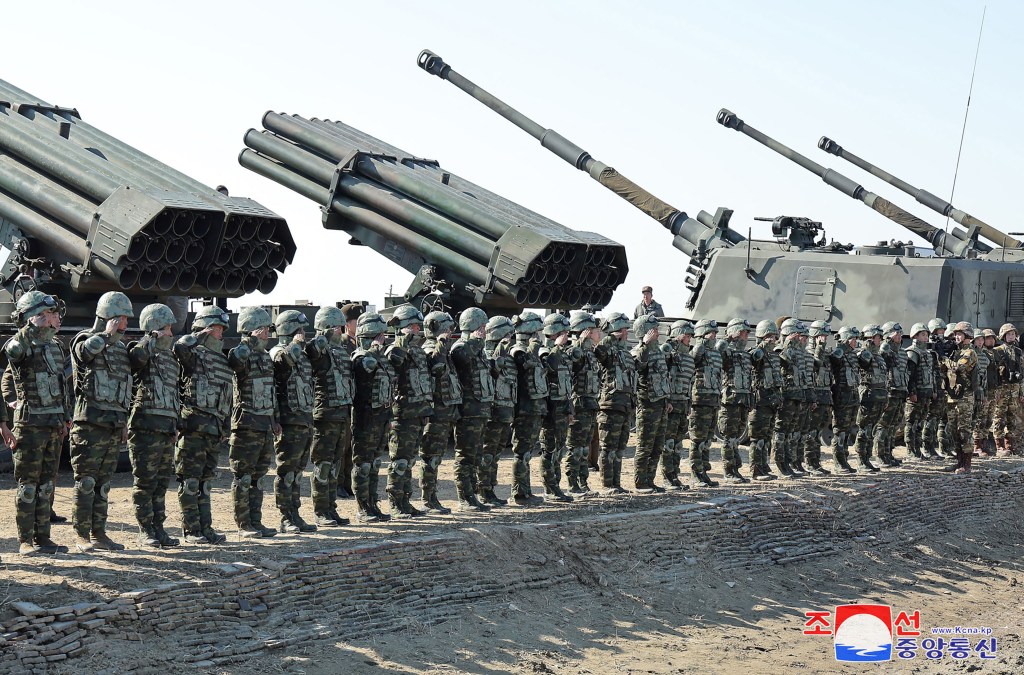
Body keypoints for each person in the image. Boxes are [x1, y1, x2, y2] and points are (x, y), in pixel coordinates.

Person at [5, 291, 69, 554]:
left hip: (53, 424)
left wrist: (65, 417)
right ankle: (25, 541)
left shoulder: (55, 346)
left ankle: (43, 538)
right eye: (45, 315)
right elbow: (12, 352)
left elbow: (61, 386)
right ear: (33, 317)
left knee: (46, 485)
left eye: (51, 314)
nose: (53, 318)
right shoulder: (21, 345)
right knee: (28, 485)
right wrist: (28, 323)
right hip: (30, 425)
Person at [70, 291, 134, 553]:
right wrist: (105, 335)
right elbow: (84, 354)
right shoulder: (86, 339)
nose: (126, 325)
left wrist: (123, 423)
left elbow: (124, 389)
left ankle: (99, 534)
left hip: (112, 425)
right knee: (85, 482)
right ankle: (81, 535)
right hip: (89, 426)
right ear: (111, 318)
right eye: (122, 319)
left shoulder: (120, 349)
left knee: (103, 485)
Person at [174, 305, 234, 544]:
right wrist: (198, 335)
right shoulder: (193, 354)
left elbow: (227, 397)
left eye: (221, 329)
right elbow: (179, 346)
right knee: (189, 481)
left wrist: (225, 427)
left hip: (213, 429)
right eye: (217, 328)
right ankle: (191, 530)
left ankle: (205, 528)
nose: (221, 333)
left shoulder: (222, 360)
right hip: (193, 428)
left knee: (205, 483)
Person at [127, 303, 182, 548]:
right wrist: (149, 338)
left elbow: (174, 394)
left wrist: (175, 425)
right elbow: (136, 360)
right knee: (145, 483)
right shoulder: (141, 351)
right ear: (155, 330)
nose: (171, 334)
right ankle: (145, 529)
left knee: (161, 484)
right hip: (145, 429)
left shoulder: (170, 359)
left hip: (166, 429)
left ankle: (159, 528)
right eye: (166, 329)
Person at [227, 306, 280, 538]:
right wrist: (249, 342)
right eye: (263, 330)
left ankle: (256, 521)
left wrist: (274, 420)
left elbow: (271, 392)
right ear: (250, 331)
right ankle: (243, 524)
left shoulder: (266, 357)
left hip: (265, 425)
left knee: (259, 477)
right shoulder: (241, 353)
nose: (267, 334)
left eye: (268, 329)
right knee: (243, 477)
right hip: (246, 425)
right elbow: (235, 361)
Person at [305, 306, 355, 526]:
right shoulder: (319, 349)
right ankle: (320, 511)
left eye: (340, 326)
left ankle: (331, 508)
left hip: (342, 414)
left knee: (335, 465)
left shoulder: (341, 350)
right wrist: (322, 337)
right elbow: (311, 351)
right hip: (325, 416)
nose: (339, 331)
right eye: (334, 327)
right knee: (323, 465)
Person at [269, 310, 318, 533]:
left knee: (298, 472)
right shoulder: (280, 352)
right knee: (287, 471)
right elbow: (281, 365)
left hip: (305, 420)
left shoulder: (303, 355)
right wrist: (295, 345)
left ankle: (295, 513)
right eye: (299, 330)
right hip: (288, 422)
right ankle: (285, 517)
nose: (303, 334)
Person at [385, 305, 432, 518]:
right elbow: (393, 365)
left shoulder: (419, 351)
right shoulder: (394, 349)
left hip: (418, 413)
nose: (417, 330)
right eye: (413, 326)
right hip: (402, 415)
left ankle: (406, 501)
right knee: (399, 461)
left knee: (410, 460)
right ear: (403, 327)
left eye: (418, 326)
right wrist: (402, 343)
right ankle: (395, 503)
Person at [351, 312, 396, 522]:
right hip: (365, 419)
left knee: (375, 463)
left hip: (381, 418)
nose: (383, 338)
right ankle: (363, 508)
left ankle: (372, 504)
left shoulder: (381, 358)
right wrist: (375, 350)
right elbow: (366, 370)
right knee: (363, 464)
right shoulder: (361, 357)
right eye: (378, 335)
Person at [451, 307, 494, 511]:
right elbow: (461, 359)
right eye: (482, 326)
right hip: (468, 413)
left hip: (480, 411)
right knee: (465, 456)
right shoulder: (461, 346)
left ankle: (473, 495)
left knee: (476, 456)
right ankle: (465, 497)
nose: (485, 330)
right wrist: (475, 341)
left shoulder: (480, 350)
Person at [420, 311, 460, 514]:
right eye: (447, 328)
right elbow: (436, 368)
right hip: (434, 412)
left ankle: (432, 497)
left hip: (445, 411)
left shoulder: (444, 349)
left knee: (436, 457)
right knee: (430, 457)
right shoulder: (431, 350)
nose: (450, 332)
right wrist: (441, 344)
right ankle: (427, 499)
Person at [593, 312, 637, 494]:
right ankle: (607, 484)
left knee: (619, 448)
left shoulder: (626, 353)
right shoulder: (608, 349)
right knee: (608, 447)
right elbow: (598, 353)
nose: (627, 332)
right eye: (624, 329)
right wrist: (610, 338)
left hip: (625, 406)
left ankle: (616, 484)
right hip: (610, 406)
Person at [510, 311, 548, 505]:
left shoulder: (531, 350)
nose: (539, 336)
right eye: (537, 332)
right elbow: (526, 365)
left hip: (534, 408)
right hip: (524, 410)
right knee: (522, 453)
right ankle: (519, 494)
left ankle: (526, 491)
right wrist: (533, 348)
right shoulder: (518, 350)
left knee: (527, 453)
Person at [565, 311, 602, 494]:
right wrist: (580, 341)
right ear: (586, 331)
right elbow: (571, 364)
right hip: (579, 406)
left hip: (590, 405)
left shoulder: (592, 353)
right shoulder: (575, 351)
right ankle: (573, 485)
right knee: (576, 447)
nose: (599, 333)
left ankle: (583, 482)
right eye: (595, 330)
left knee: (585, 447)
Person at [540, 313, 576, 501]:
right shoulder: (545, 351)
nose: (567, 335)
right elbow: (549, 367)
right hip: (550, 410)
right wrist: (556, 347)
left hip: (562, 408)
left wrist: (570, 410)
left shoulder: (562, 353)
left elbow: (567, 385)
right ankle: (549, 488)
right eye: (563, 332)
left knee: (559, 450)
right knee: (550, 449)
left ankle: (556, 486)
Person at [482, 315, 516, 506]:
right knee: (486, 454)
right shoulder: (487, 356)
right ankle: (482, 490)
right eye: (507, 332)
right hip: (492, 415)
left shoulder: (507, 357)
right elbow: (492, 371)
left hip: (505, 413)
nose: (510, 336)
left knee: (494, 455)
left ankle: (490, 490)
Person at [717, 318, 754, 483]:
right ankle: (729, 471)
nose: (746, 336)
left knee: (737, 438)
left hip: (743, 401)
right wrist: (728, 338)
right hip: (730, 401)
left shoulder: (746, 355)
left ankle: (735, 470)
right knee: (729, 438)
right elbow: (716, 353)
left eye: (747, 333)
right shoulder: (727, 352)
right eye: (743, 332)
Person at [336, 302, 366, 498]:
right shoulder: (342, 343)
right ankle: (338, 483)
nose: (361, 326)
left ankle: (348, 483)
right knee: (342, 445)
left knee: (353, 445)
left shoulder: (361, 343)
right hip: (345, 401)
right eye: (358, 321)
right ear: (348, 324)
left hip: (357, 401)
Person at [689, 319, 723, 487]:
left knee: (708, 440)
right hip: (700, 401)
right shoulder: (698, 350)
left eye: (715, 333)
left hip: (713, 401)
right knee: (697, 439)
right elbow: (692, 362)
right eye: (711, 333)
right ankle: (695, 474)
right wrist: (700, 343)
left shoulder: (716, 353)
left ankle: (703, 472)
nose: (714, 336)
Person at [748, 320, 782, 480]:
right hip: (760, 402)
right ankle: (755, 470)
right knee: (757, 438)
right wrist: (761, 347)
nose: (772, 339)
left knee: (767, 438)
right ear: (761, 337)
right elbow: (753, 360)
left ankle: (764, 466)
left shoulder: (775, 356)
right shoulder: (757, 353)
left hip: (772, 401)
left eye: (774, 336)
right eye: (768, 336)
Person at [942, 321, 978, 473]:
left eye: (959, 334)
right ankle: (959, 461)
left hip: (965, 397)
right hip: (953, 396)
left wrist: (944, 359)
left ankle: (966, 464)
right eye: (955, 334)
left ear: (967, 336)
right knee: (953, 429)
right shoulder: (956, 352)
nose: (956, 337)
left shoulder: (969, 353)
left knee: (964, 430)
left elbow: (958, 367)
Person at [774, 319, 807, 478]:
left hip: (796, 396)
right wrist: (787, 343)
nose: (798, 337)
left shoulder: (797, 352)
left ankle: (788, 463)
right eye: (795, 334)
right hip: (785, 396)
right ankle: (780, 465)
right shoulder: (780, 348)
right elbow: (783, 361)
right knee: (781, 433)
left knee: (790, 433)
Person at [828, 325, 861, 474]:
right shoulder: (838, 353)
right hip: (842, 397)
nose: (855, 341)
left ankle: (844, 460)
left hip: (852, 396)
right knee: (840, 431)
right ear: (847, 340)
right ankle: (838, 462)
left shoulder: (853, 355)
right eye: (853, 339)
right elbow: (834, 363)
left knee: (847, 431)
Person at [855, 324, 887, 473]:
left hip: (879, 396)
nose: (880, 340)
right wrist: (867, 348)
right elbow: (863, 364)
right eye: (877, 337)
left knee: (871, 429)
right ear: (869, 338)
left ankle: (867, 459)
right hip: (868, 397)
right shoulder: (863, 354)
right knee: (864, 430)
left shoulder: (879, 356)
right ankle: (861, 460)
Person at [804, 321, 834, 476]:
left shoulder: (825, 353)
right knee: (811, 432)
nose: (825, 338)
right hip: (815, 397)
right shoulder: (809, 353)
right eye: (822, 335)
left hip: (825, 396)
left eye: (826, 336)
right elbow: (814, 369)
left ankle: (816, 463)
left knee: (818, 432)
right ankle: (809, 463)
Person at [903, 323, 936, 460]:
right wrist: (912, 392)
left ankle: (918, 449)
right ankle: (911, 450)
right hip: (916, 394)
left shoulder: (927, 354)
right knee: (912, 422)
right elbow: (909, 375)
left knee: (920, 422)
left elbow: (931, 373)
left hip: (926, 392)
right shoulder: (913, 352)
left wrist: (933, 390)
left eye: (927, 334)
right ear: (915, 336)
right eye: (923, 334)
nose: (926, 337)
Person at [992, 323, 1023, 456]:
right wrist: (996, 390)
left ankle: (1010, 446)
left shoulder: (1019, 351)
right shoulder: (997, 351)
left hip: (1015, 389)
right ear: (1003, 336)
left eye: (1013, 334)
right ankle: (999, 447)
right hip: (1002, 388)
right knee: (999, 417)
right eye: (1008, 334)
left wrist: (1022, 392)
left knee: (1013, 418)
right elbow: (993, 373)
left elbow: (1022, 372)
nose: (1011, 336)